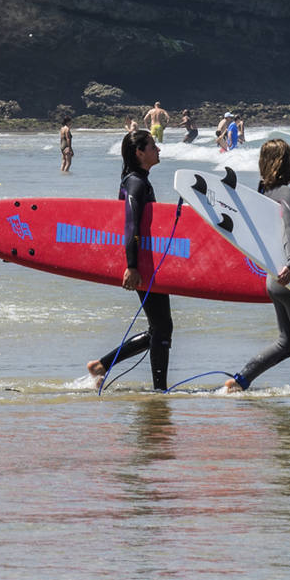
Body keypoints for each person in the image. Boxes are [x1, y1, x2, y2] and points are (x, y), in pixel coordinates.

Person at [223, 138, 290, 395]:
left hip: (273, 278)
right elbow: (289, 229)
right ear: (286, 163)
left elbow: (285, 234)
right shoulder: (287, 194)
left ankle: (239, 381)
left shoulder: (262, 195)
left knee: (287, 342)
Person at [86, 130, 173, 392]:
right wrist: (132, 265)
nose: (158, 150)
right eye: (153, 146)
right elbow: (131, 224)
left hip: (148, 260)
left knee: (160, 328)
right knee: (162, 328)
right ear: (139, 152)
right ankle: (160, 390)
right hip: (142, 264)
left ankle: (101, 365)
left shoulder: (136, 180)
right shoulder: (135, 182)